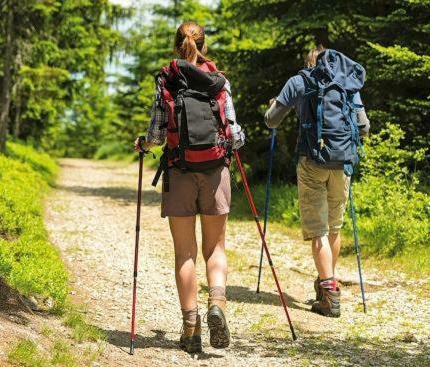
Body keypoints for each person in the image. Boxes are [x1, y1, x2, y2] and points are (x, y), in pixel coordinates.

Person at [134, 21, 245, 353]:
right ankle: (218, 304)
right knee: (215, 249)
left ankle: (191, 328)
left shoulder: (167, 80)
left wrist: (143, 144)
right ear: (204, 46)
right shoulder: (219, 81)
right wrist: (231, 146)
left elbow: (156, 133)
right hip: (215, 172)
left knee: (185, 253)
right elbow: (234, 133)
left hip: (179, 171)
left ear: (176, 47)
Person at [264, 46, 370, 317]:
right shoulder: (347, 83)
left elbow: (271, 121)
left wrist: (271, 109)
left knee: (319, 230)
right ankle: (327, 283)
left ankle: (329, 293)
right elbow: (364, 127)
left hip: (312, 161)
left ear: (310, 62)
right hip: (343, 163)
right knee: (334, 226)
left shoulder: (299, 81)